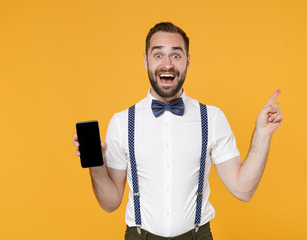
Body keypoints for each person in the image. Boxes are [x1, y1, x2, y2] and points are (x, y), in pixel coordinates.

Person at [72, 22, 283, 240]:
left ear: (187, 61)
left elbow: (243, 189)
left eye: (175, 55)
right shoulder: (122, 122)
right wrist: (96, 165)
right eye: (158, 55)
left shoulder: (211, 118)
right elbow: (110, 203)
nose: (167, 64)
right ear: (145, 60)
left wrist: (262, 135)